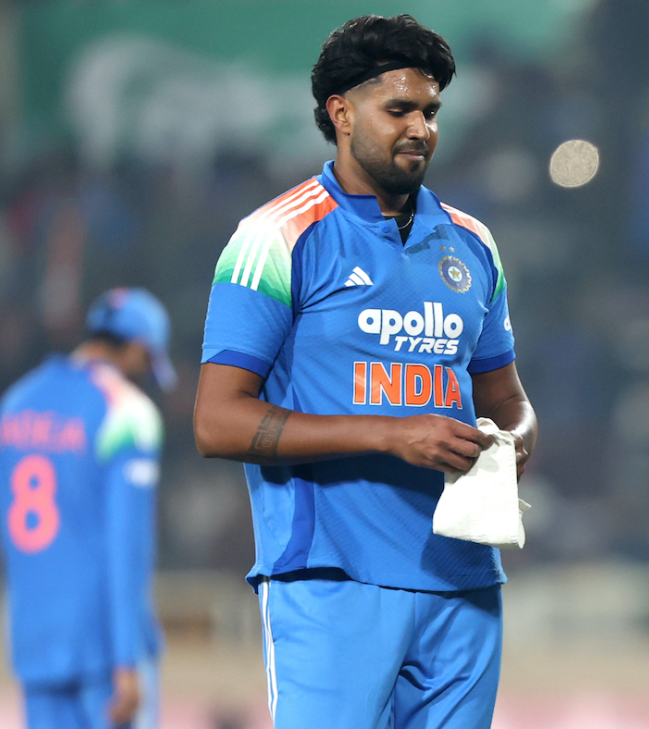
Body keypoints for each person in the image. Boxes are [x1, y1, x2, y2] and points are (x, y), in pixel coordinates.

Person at [192, 14, 536, 729]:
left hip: (463, 582)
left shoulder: (473, 243)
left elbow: (508, 398)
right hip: (331, 579)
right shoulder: (275, 237)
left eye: (431, 112)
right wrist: (391, 434)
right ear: (341, 113)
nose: (420, 129)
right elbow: (216, 421)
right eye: (399, 109)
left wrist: (514, 441)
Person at [0, 287, 172, 729]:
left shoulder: (13, 404)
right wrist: (127, 657)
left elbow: (6, 534)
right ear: (137, 348)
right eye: (148, 366)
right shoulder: (126, 412)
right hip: (102, 647)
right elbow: (127, 546)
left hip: (34, 639)